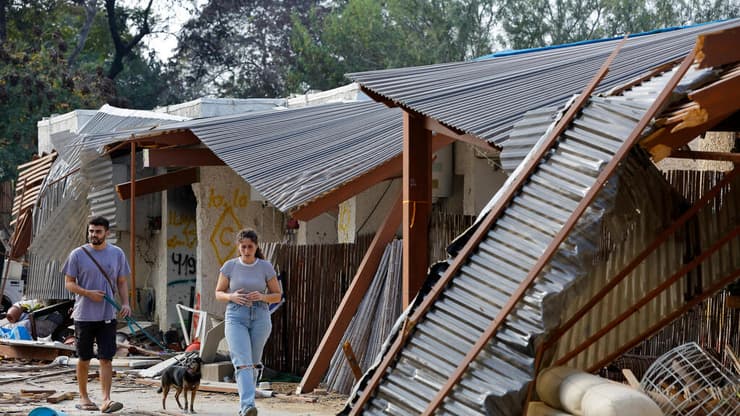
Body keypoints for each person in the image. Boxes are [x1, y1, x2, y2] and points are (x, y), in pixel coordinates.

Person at [63, 216, 131, 413]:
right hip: (83, 315)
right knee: (84, 358)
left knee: (106, 358)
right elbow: (69, 282)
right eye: (91, 231)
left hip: (108, 315)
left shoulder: (117, 253)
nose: (93, 235)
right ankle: (84, 397)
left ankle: (106, 400)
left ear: (107, 233)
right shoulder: (77, 254)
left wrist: (125, 303)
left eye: (98, 231)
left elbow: (121, 281)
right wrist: (88, 293)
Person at [216, 229, 282, 416]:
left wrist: (262, 296)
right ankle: (248, 406)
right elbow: (218, 293)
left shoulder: (265, 267)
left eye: (250, 246)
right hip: (236, 317)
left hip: (260, 316)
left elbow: (277, 295)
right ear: (238, 247)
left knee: (253, 363)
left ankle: (246, 405)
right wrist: (231, 296)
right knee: (243, 363)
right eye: (243, 246)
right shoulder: (229, 266)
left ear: (256, 247)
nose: (246, 250)